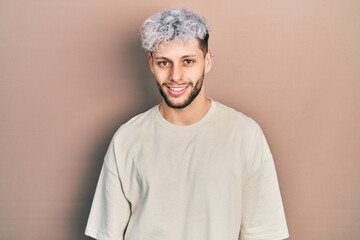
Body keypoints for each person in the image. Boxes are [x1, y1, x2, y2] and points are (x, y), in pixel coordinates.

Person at [85, 7, 289, 240]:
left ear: (207, 61)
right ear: (151, 63)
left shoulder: (245, 135)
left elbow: (263, 234)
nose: (176, 75)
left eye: (188, 61)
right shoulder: (126, 139)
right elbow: (108, 234)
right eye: (164, 63)